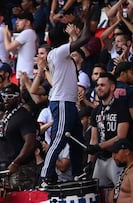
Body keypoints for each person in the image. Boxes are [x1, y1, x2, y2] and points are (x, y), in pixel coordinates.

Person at [40, 5, 92, 183]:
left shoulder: (59, 54)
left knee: (76, 140)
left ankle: (77, 173)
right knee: (60, 139)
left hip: (67, 102)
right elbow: (85, 38)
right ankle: (46, 176)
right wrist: (87, 17)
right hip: (62, 102)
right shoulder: (60, 52)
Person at [86, 72, 133, 202]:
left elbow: (121, 136)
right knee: (98, 195)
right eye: (97, 85)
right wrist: (89, 162)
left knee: (121, 192)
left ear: (112, 87)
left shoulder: (121, 107)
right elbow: (93, 139)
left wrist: (98, 146)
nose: (98, 88)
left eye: (102, 85)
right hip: (101, 159)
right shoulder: (96, 111)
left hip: (117, 158)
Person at [0, 83, 37, 189]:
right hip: (6, 166)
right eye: (4, 96)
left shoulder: (24, 116)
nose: (6, 99)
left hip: (21, 167)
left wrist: (16, 162)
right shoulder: (4, 115)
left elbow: (30, 143)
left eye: (10, 97)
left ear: (18, 97)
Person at [3, 11, 37, 80]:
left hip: (26, 73)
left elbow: (8, 48)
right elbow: (13, 52)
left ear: (28, 22)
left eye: (20, 20)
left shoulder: (27, 32)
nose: (16, 22)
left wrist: (4, 34)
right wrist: (8, 38)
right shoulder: (30, 33)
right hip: (24, 73)